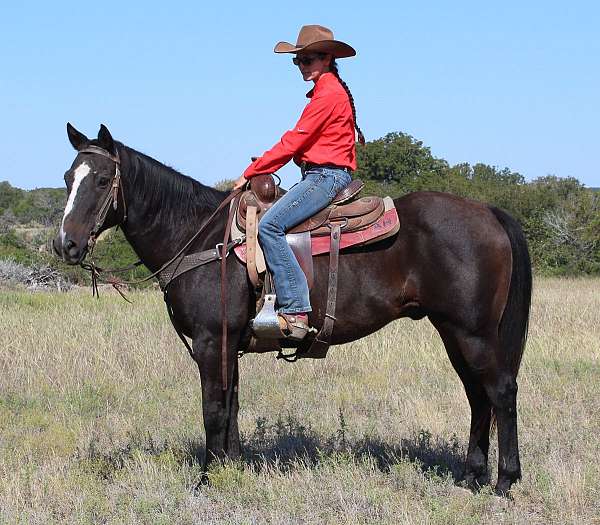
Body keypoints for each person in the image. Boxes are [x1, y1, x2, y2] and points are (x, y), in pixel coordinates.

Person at [232, 24, 365, 340]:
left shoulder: (328, 94)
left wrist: (249, 173)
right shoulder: (325, 91)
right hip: (320, 173)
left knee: (269, 226)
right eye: (298, 61)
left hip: (326, 176)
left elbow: (293, 142)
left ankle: (295, 311)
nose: (302, 66)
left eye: (309, 59)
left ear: (327, 58)